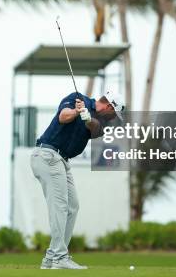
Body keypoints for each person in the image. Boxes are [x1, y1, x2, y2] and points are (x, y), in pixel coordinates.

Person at [31, 90, 124, 269]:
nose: (113, 119)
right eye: (114, 114)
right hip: (47, 155)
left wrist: (86, 117)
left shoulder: (101, 121)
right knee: (60, 206)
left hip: (62, 161)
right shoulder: (76, 98)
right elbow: (62, 117)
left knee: (73, 206)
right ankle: (59, 257)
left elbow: (94, 128)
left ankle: (51, 258)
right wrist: (76, 111)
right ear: (108, 106)